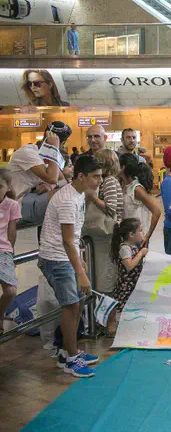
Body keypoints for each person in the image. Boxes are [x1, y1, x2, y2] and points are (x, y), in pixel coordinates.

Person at [39, 155, 102, 378]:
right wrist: (80, 272)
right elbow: (66, 240)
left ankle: (68, 352)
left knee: (76, 303)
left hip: (65, 256)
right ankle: (71, 359)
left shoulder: (77, 195)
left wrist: (78, 259)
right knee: (72, 305)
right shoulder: (67, 199)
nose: (98, 182)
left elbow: (71, 237)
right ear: (81, 176)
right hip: (56, 258)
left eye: (100, 177)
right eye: (95, 177)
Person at [9, 123, 70, 226]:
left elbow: (62, 181)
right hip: (16, 204)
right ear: (63, 143)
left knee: (68, 190)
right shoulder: (28, 152)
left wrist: (51, 186)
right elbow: (52, 178)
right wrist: (54, 148)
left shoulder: (45, 155)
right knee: (67, 195)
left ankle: (50, 239)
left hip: (29, 200)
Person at [84, 149, 123, 294]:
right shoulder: (109, 181)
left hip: (108, 233)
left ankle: (106, 307)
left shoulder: (110, 181)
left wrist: (93, 197)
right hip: (107, 234)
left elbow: (111, 208)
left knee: (105, 272)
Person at [108, 218, 148, 337]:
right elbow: (129, 266)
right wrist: (141, 254)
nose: (143, 233)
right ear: (131, 234)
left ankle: (131, 332)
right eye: (140, 231)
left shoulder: (134, 246)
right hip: (127, 285)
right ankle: (122, 333)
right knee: (124, 309)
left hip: (134, 284)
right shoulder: (125, 248)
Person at [119, 153, 160, 247]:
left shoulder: (136, 188)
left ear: (122, 167)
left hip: (137, 239)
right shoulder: (124, 186)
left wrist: (147, 236)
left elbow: (156, 211)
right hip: (127, 237)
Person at [0, 170, 20, 335]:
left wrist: (9, 251)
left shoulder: (12, 205)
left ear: (7, 188)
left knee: (10, 290)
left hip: (3, 251)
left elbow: (12, 233)